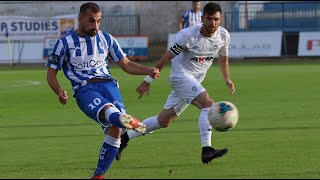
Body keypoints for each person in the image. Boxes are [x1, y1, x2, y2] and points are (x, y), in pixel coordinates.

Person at [46, 2, 160, 179]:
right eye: (91, 21)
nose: (95, 26)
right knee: (110, 113)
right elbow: (51, 74)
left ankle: (98, 175)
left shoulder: (106, 38)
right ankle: (128, 121)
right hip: (85, 89)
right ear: (81, 19)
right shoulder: (64, 43)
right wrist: (59, 90)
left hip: (108, 85)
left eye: (99, 21)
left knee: (116, 131)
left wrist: (148, 70)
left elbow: (126, 64)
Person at [116, 2, 235, 164]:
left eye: (216, 19)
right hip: (180, 77)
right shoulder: (188, 36)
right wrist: (147, 80)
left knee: (163, 121)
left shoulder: (223, 36)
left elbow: (223, 59)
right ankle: (207, 149)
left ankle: (124, 138)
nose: (212, 23)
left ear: (220, 20)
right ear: (202, 18)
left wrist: (227, 78)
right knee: (208, 105)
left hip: (194, 81)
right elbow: (166, 58)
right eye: (209, 19)